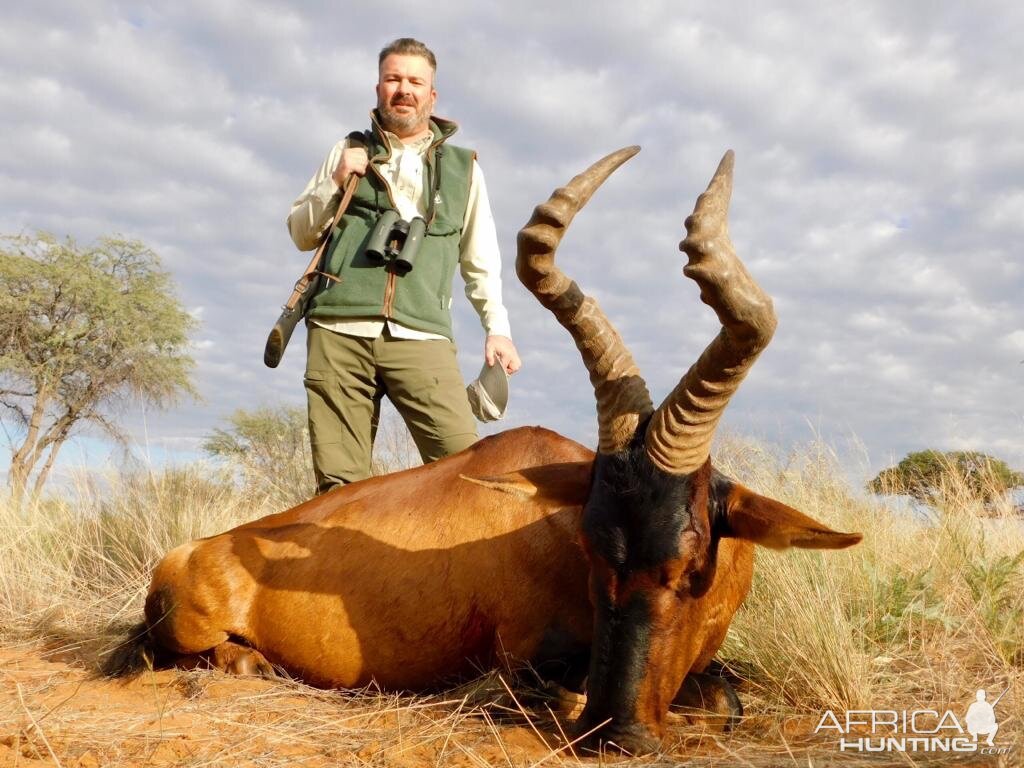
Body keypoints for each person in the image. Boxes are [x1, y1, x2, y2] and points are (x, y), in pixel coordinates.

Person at [287, 37, 521, 492]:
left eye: (416, 81)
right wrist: (335, 183)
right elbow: (300, 232)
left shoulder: (464, 167)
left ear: (432, 95)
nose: (404, 89)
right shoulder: (346, 150)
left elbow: (480, 259)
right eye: (394, 79)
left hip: (423, 334)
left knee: (469, 476)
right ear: (378, 88)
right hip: (339, 332)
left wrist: (498, 328)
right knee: (339, 491)